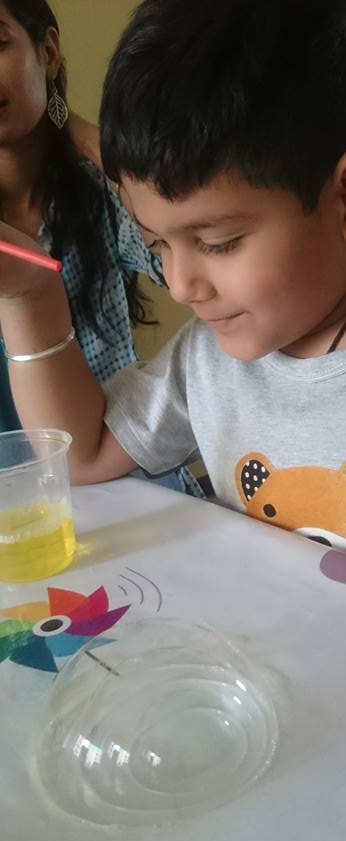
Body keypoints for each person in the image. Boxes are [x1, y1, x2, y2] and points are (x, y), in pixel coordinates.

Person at [1, 0, 346, 616]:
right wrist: (30, 297)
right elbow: (83, 453)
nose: (179, 285)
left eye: (219, 242)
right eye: (156, 244)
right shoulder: (206, 361)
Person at [0, 0, 201, 496]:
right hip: (18, 503)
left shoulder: (100, 191)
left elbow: (199, 255)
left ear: (47, 51)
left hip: (120, 480)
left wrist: (75, 129)